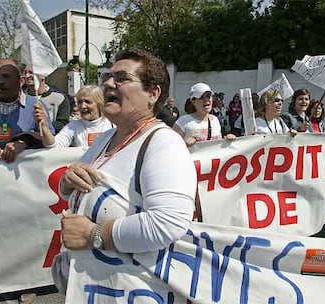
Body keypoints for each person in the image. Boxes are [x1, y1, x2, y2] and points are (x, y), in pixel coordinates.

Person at [53, 48, 197, 294]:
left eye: (121, 78)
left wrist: (94, 235)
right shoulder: (106, 138)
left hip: (132, 291)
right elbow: (74, 190)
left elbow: (168, 223)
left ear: (152, 93)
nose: (108, 83)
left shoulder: (164, 143)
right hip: (93, 287)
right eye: (107, 77)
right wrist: (67, 182)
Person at [0, 58, 54, 163]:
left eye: (6, 76)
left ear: (21, 81)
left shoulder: (35, 106)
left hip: (25, 175)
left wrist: (25, 142)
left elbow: (50, 140)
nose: (0, 81)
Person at [34, 85, 114, 148]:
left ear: (99, 104)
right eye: (80, 102)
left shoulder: (112, 124)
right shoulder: (73, 126)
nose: (83, 106)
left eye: (87, 102)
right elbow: (55, 145)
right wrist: (44, 125)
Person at [173, 82, 235, 147]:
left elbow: (218, 146)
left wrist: (228, 141)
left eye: (208, 96)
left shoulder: (215, 120)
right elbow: (170, 146)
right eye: (201, 97)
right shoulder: (183, 121)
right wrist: (184, 144)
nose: (206, 100)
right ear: (193, 101)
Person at [24, 65, 70, 133]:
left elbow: (63, 123)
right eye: (25, 73)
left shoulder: (59, 98)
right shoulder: (20, 97)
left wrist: (43, 126)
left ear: (43, 75)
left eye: (31, 72)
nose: (27, 76)